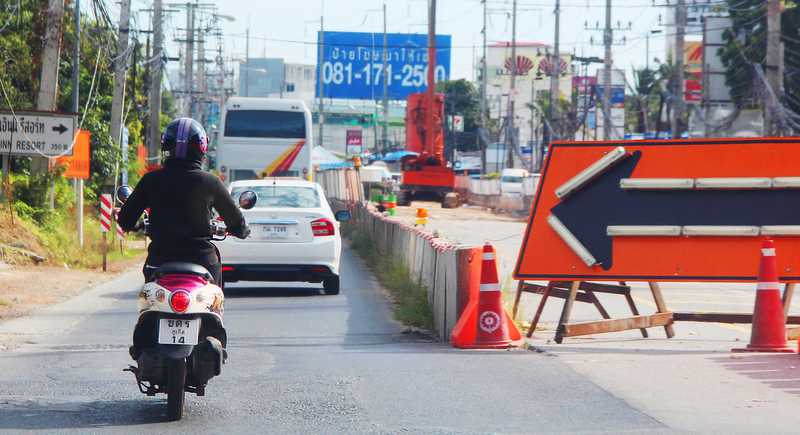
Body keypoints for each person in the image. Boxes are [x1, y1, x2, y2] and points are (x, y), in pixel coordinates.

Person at [117, 117, 250, 285]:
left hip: (158, 261)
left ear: (166, 146)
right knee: (214, 301)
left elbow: (124, 220)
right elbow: (236, 222)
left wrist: (134, 225)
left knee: (147, 303)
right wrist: (242, 231)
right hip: (202, 261)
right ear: (202, 148)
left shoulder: (151, 180)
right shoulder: (211, 182)